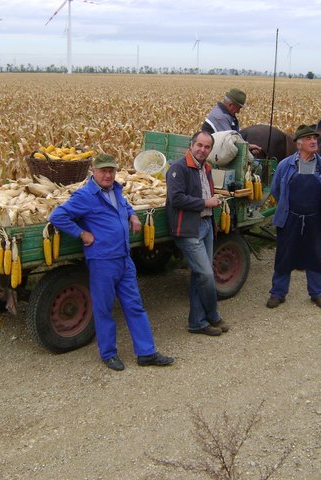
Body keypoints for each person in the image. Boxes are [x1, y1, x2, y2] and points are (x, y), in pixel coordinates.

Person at [49, 153, 174, 371]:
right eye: (103, 171)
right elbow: (57, 216)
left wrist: (132, 215)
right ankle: (108, 353)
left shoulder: (116, 188)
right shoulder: (86, 195)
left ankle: (146, 352)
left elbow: (123, 205)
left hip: (124, 258)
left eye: (111, 171)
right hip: (102, 261)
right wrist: (82, 234)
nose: (108, 175)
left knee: (135, 305)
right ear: (94, 172)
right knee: (104, 308)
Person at [165, 131, 230, 336]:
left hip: (206, 225)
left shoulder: (206, 168)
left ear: (210, 149)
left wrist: (212, 202)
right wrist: (206, 202)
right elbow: (176, 199)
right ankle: (213, 315)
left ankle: (196, 323)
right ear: (191, 145)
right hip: (188, 229)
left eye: (207, 147)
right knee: (206, 274)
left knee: (198, 275)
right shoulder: (179, 168)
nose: (202, 150)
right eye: (199, 145)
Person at [266, 124, 321, 310]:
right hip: (290, 218)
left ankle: (317, 293)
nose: (313, 141)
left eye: (314, 138)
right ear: (299, 144)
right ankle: (278, 293)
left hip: (314, 218)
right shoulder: (285, 165)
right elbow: (276, 190)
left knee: (316, 255)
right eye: (308, 139)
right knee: (284, 256)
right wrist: (288, 207)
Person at [201, 88, 261, 156]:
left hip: (220, 150)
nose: (238, 112)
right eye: (238, 108)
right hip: (214, 154)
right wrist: (249, 147)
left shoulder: (226, 113)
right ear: (230, 105)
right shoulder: (220, 116)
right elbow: (231, 141)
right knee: (257, 166)